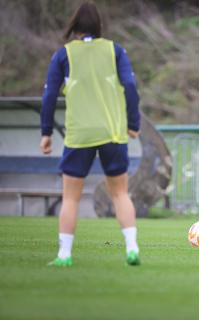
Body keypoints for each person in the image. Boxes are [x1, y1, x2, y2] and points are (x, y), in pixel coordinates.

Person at [40, 1, 141, 266]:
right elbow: (130, 85)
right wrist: (134, 122)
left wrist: (46, 132)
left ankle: (64, 255)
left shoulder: (64, 55)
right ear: (99, 26)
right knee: (120, 194)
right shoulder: (115, 50)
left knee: (71, 197)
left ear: (74, 25)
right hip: (112, 132)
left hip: (79, 135)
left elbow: (50, 95)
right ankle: (132, 249)